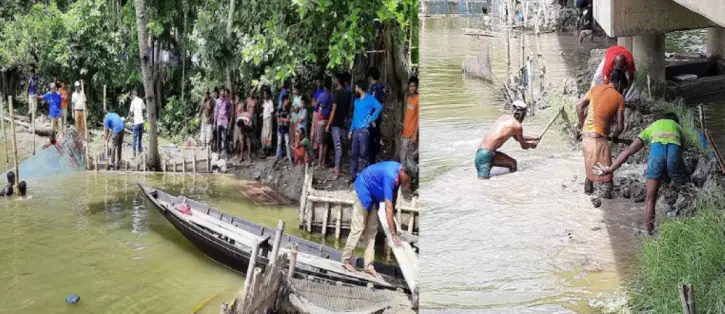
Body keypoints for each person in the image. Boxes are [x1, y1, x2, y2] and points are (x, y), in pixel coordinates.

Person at [594, 113, 687, 235]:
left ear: (662, 119)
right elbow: (680, 154)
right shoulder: (679, 128)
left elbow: (628, 151)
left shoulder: (653, 126)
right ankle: (688, 216)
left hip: (656, 158)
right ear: (675, 122)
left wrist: (610, 169)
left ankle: (649, 233)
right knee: (686, 189)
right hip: (674, 156)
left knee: (650, 200)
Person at [341, 160, 416, 277]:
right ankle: (346, 260)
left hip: (374, 196)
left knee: (372, 231)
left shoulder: (399, 176)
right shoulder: (390, 175)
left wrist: (395, 229)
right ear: (402, 171)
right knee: (359, 227)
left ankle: (368, 265)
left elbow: (394, 201)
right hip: (364, 189)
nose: (408, 181)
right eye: (408, 178)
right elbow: (388, 207)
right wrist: (393, 234)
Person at [577, 68, 627, 198]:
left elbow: (579, 106)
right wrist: (615, 136)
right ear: (620, 83)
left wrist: (584, 127)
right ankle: (608, 204)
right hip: (599, 138)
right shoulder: (619, 98)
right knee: (607, 176)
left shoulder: (595, 89)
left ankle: (587, 194)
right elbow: (621, 126)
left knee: (589, 170)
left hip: (586, 137)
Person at [475, 101, 539, 179]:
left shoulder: (504, 117)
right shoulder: (517, 126)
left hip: (484, 153)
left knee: (512, 163)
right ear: (522, 115)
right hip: (485, 155)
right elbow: (524, 146)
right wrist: (532, 145)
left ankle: (510, 184)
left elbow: (517, 138)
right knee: (483, 185)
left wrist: (533, 137)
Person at [349, 80, 382, 183]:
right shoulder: (356, 100)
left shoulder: (369, 98)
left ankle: (362, 178)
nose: (355, 89)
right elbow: (354, 116)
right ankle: (353, 176)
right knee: (354, 153)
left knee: (363, 155)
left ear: (359, 88)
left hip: (364, 131)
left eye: (355, 88)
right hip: (355, 131)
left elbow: (379, 107)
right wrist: (351, 130)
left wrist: (372, 118)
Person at [327, 73, 352, 179]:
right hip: (344, 122)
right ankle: (339, 167)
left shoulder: (336, 94)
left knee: (338, 147)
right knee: (341, 144)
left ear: (338, 81)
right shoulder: (347, 93)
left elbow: (333, 110)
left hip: (336, 123)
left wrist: (328, 124)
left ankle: (337, 169)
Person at [367, 68, 385, 164]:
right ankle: (373, 159)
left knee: (372, 140)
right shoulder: (380, 86)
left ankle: (372, 161)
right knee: (375, 138)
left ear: (371, 76)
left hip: (373, 118)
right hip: (376, 118)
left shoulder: (374, 87)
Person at [401, 76, 419, 164]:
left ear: (416, 87)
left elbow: (419, 119)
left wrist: (415, 135)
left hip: (411, 134)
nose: (412, 88)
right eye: (410, 86)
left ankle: (410, 175)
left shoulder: (418, 99)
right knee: (403, 155)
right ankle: (403, 174)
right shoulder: (408, 98)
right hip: (405, 132)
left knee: (409, 158)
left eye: (414, 86)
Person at [315, 78, 333, 168]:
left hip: (321, 121)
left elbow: (316, 106)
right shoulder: (332, 96)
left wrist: (320, 107)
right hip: (329, 121)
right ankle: (323, 163)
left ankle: (319, 164)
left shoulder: (322, 96)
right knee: (326, 144)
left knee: (321, 144)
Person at [239, 88, 257, 161]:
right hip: (246, 119)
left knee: (250, 138)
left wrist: (255, 121)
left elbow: (257, 111)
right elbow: (243, 108)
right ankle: (242, 156)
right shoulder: (247, 100)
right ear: (249, 93)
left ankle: (249, 156)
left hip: (252, 120)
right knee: (243, 139)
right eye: (251, 92)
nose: (252, 94)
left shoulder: (255, 101)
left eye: (253, 92)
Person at [127, 90, 145, 157]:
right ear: (136, 94)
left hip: (136, 123)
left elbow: (131, 112)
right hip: (141, 122)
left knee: (134, 139)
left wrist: (129, 118)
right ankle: (140, 151)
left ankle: (134, 152)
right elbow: (144, 109)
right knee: (140, 138)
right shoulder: (141, 100)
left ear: (132, 95)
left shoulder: (133, 102)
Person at [214, 88, 232, 156]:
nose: (222, 93)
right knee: (218, 138)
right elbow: (216, 112)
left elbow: (229, 111)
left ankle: (225, 152)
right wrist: (214, 123)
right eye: (221, 92)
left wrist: (229, 121)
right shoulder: (217, 101)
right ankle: (218, 152)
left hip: (225, 122)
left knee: (225, 138)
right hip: (219, 122)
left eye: (223, 92)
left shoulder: (227, 101)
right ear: (220, 93)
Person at [276, 95, 292, 163]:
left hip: (286, 129)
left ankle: (289, 157)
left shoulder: (288, 110)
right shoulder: (279, 110)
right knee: (279, 143)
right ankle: (277, 156)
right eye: (286, 100)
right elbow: (278, 120)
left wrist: (282, 119)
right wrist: (284, 120)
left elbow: (288, 120)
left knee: (287, 143)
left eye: (287, 100)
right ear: (283, 101)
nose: (287, 101)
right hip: (280, 129)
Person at [261, 89, 275, 156]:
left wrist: (271, 121)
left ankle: (268, 149)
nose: (265, 95)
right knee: (264, 135)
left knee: (268, 135)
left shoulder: (270, 102)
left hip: (269, 119)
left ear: (268, 94)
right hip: (264, 119)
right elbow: (264, 110)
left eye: (266, 94)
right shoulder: (264, 102)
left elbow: (272, 112)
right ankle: (265, 148)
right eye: (264, 94)